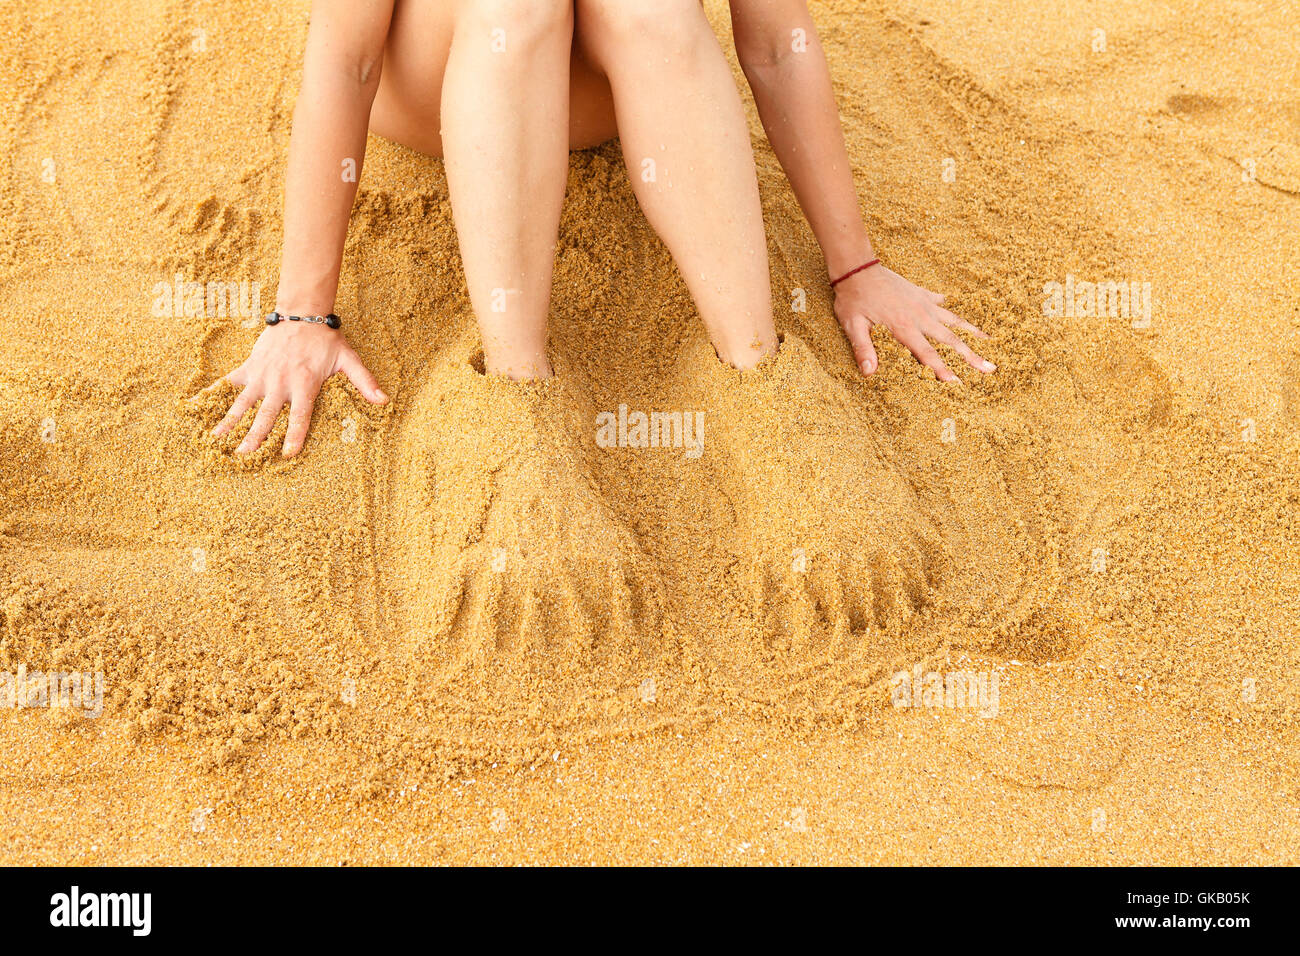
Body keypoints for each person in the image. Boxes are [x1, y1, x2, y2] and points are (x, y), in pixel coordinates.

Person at [210, 0, 994, 459]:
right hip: (444, 80)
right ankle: (518, 408)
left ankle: (765, 386)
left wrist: (855, 265)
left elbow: (776, 44)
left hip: (605, 91)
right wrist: (302, 313)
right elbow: (343, 64)